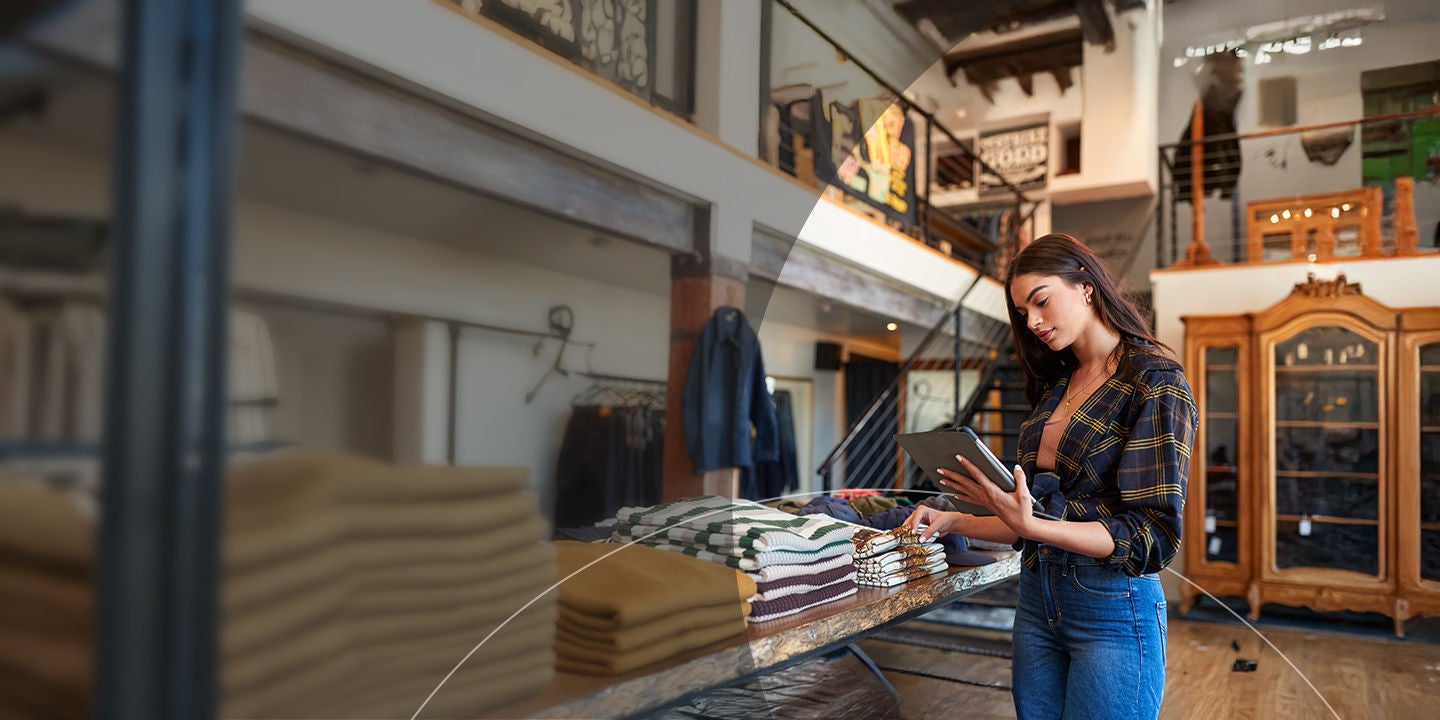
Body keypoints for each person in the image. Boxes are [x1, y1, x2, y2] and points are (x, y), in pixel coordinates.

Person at [903, 233, 1197, 720]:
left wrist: (1033, 526)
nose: (1033, 322)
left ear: (1085, 284)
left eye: (1041, 301)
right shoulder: (1057, 385)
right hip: (1038, 601)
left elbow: (1152, 536)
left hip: (1112, 608)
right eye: (1023, 313)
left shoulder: (1154, 381)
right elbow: (1030, 520)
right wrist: (951, 521)